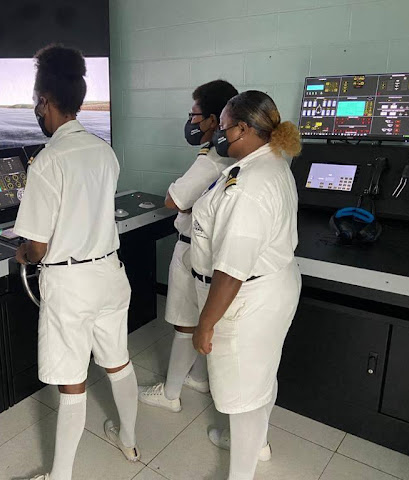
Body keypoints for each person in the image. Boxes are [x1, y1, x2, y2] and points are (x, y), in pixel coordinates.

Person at [14, 45, 140, 480]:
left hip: (70, 286)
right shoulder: (105, 151)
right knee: (118, 361)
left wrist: (23, 252)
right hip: (109, 273)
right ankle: (128, 440)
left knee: (73, 383)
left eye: (37, 102)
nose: (37, 109)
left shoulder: (47, 162)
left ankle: (61, 476)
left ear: (45, 101)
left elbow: (38, 248)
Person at [190, 90, 303, 480]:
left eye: (222, 128)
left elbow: (232, 270)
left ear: (242, 128)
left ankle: (241, 472)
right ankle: (259, 445)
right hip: (273, 286)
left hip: (247, 296)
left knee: (241, 396)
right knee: (260, 376)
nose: (217, 134)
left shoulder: (251, 185)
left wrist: (206, 323)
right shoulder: (271, 159)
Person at [139, 80, 238, 412]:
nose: (191, 121)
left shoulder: (210, 160)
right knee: (200, 315)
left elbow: (173, 200)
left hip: (190, 248)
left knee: (185, 322)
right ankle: (199, 377)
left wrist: (178, 193)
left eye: (195, 114)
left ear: (213, 119)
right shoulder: (231, 155)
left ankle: (170, 394)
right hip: (213, 253)